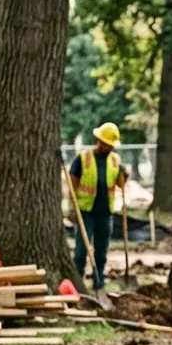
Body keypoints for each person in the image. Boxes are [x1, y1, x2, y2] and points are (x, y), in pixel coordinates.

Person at [68, 122, 127, 305]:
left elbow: (120, 184)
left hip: (105, 213)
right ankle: (78, 281)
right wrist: (73, 208)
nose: (108, 147)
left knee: (101, 251)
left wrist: (124, 175)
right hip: (86, 212)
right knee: (81, 251)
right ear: (98, 141)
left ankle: (98, 281)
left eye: (111, 145)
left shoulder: (115, 160)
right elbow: (72, 184)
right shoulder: (83, 159)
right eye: (106, 143)